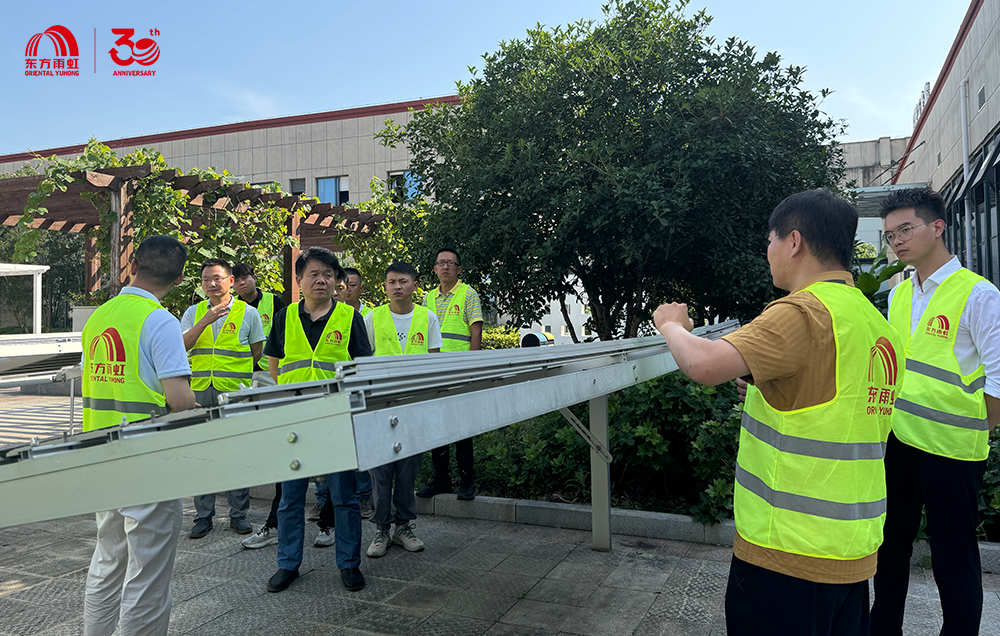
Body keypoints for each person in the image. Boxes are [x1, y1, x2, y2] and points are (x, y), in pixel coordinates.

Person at [653, 189, 904, 636]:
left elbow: (704, 364)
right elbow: (832, 401)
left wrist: (672, 325)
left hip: (786, 554)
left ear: (794, 241)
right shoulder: (875, 325)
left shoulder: (803, 312)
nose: (767, 252)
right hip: (851, 553)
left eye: (770, 241)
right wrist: (764, 381)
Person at [871, 188, 1000, 635]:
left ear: (938, 226)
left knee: (953, 556)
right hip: (900, 440)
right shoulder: (900, 294)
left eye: (905, 229)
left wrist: (980, 426)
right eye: (890, 235)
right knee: (889, 545)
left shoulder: (979, 295)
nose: (897, 241)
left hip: (953, 450)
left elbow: (999, 377)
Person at [81, 235, 197, 636]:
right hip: (147, 456)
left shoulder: (100, 316)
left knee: (108, 559)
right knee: (147, 572)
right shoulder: (160, 321)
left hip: (100, 452)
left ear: (133, 266)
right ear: (179, 278)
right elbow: (179, 400)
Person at [263, 246, 372, 593]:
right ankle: (287, 564)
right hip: (295, 421)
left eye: (328, 274)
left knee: (344, 497)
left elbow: (361, 369)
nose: (321, 280)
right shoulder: (284, 317)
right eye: (314, 273)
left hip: (335, 419)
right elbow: (275, 365)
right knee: (291, 498)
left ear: (337, 281)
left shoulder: (349, 318)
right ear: (299, 280)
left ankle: (349, 563)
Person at [181, 258, 266, 538]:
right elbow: (182, 346)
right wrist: (205, 321)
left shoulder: (248, 313)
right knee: (201, 453)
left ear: (231, 281)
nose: (211, 284)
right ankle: (203, 516)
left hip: (234, 392)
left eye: (217, 278)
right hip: (199, 390)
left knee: (236, 453)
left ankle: (238, 514)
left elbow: (257, 352)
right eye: (206, 279)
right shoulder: (193, 312)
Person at [363, 262, 443, 557]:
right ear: (385, 286)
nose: (397, 286)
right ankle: (381, 529)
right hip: (380, 405)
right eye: (392, 282)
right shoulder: (372, 318)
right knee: (381, 471)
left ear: (414, 285)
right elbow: (363, 361)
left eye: (403, 281)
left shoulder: (427, 317)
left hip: (413, 406)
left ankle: (404, 527)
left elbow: (434, 362)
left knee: (408, 471)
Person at [416, 248, 484, 500]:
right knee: (437, 426)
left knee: (462, 426)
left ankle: (467, 481)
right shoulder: (428, 298)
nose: (445, 267)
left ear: (459, 269)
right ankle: (441, 479)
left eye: (450, 263)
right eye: (441, 263)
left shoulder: (468, 294)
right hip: (436, 371)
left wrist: (472, 367)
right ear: (435, 269)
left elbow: (476, 332)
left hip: (461, 370)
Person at [231, 261, 287, 549]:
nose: (242, 283)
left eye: (245, 278)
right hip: (239, 378)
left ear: (254, 278)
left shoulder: (275, 303)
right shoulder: (230, 308)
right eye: (237, 280)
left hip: (269, 375)